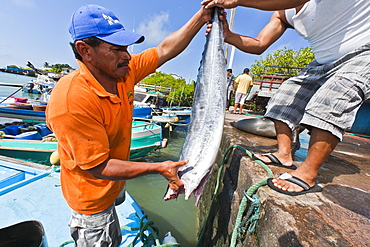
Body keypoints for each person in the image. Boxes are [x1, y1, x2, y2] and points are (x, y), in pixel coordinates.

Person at [46, 4, 212, 246]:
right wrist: (158, 168)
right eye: (116, 49)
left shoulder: (123, 72)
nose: (127, 55)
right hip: (91, 199)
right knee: (102, 233)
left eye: (126, 47)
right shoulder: (71, 100)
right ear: (86, 51)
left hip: (114, 186)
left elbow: (165, 49)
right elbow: (98, 167)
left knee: (115, 224)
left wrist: (201, 16)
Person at [202, 0, 370, 196]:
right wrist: (228, 35)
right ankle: (284, 154)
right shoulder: (282, 13)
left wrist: (237, 1)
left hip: (364, 54)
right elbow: (259, 44)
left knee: (332, 97)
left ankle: (308, 173)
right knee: (283, 97)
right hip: (323, 63)